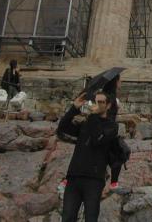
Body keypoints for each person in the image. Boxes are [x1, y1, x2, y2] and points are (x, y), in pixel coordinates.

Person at [57, 92, 118, 222]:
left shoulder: (111, 126)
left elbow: (97, 139)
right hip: (74, 177)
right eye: (96, 101)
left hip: (94, 180)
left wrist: (93, 116)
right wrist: (74, 108)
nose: (97, 104)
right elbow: (62, 129)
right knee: (67, 217)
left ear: (108, 106)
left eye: (101, 102)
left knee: (90, 218)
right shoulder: (86, 122)